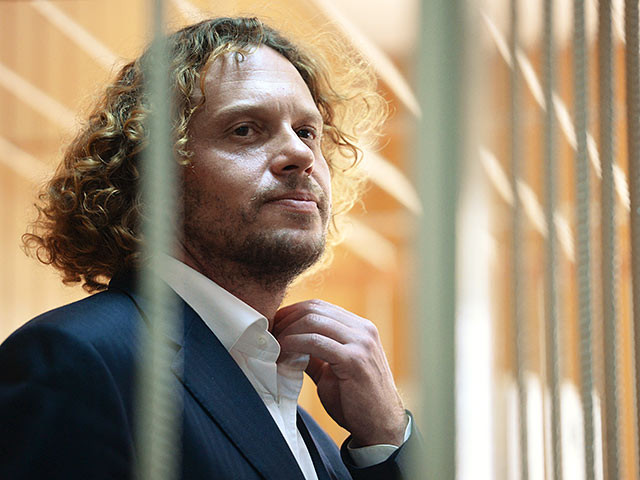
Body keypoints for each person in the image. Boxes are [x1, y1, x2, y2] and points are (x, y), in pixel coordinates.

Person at [0, 17, 418, 480]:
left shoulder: (313, 432)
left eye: (306, 132)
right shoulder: (74, 359)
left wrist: (386, 438)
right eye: (245, 130)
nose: (301, 154)